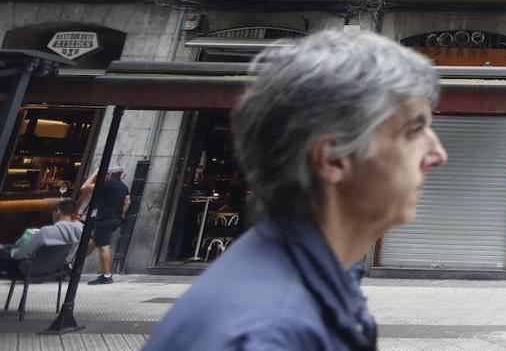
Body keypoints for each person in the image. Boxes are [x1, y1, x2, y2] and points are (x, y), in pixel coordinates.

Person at [145, 30, 447, 350]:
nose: (438, 155)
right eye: (414, 131)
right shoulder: (266, 335)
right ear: (333, 159)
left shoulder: (314, 283)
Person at [0, 200, 83, 278]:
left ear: (58, 211)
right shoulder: (78, 232)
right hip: (53, 269)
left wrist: (6, 251)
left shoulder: (46, 232)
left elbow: (18, 255)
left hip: (28, 269)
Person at [82, 164, 130, 285]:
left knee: (103, 245)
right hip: (116, 220)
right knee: (93, 241)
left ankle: (106, 275)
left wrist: (95, 173)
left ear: (109, 174)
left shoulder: (106, 184)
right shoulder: (124, 186)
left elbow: (85, 188)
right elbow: (127, 202)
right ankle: (73, 265)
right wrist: (120, 214)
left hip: (104, 219)